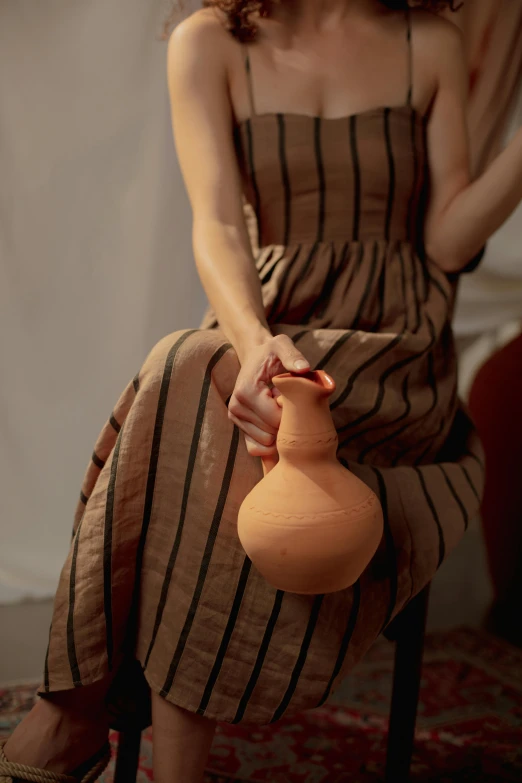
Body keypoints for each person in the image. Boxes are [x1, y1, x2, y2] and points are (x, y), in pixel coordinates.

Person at [1, 1, 521, 781]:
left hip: (395, 350)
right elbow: (216, 225)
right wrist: (255, 344)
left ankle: (74, 714)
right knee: (196, 381)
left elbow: (447, 240)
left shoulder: (429, 41)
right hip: (268, 326)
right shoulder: (208, 43)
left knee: (187, 387)